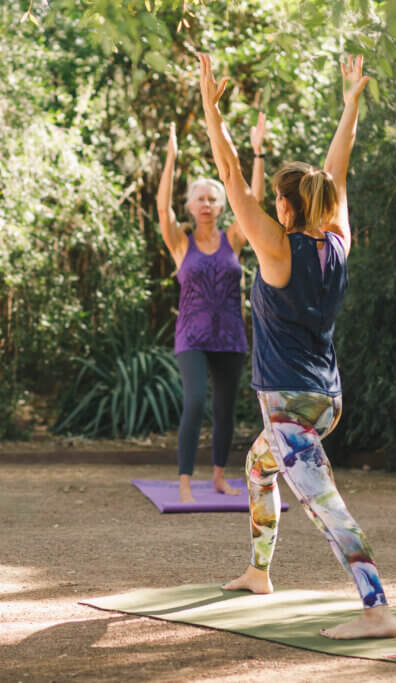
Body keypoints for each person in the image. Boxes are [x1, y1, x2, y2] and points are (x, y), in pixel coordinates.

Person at [197, 52, 396, 639]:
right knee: (258, 469)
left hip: (288, 406)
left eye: (276, 203)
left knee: (325, 507)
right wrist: (350, 104)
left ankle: (376, 608)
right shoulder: (337, 240)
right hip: (325, 400)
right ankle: (259, 574)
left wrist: (213, 113)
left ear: (284, 206)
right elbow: (338, 173)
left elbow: (230, 176)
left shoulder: (278, 250)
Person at [157, 115, 266, 504]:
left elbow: (253, 200)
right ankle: (185, 481)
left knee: (224, 410)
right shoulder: (180, 243)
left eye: (212, 198)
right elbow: (160, 206)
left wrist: (257, 152)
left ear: (221, 205)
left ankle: (219, 477)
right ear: (189, 205)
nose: (206, 203)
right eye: (199, 198)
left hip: (231, 335)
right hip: (192, 336)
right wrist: (171, 158)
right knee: (195, 402)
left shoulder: (233, 239)